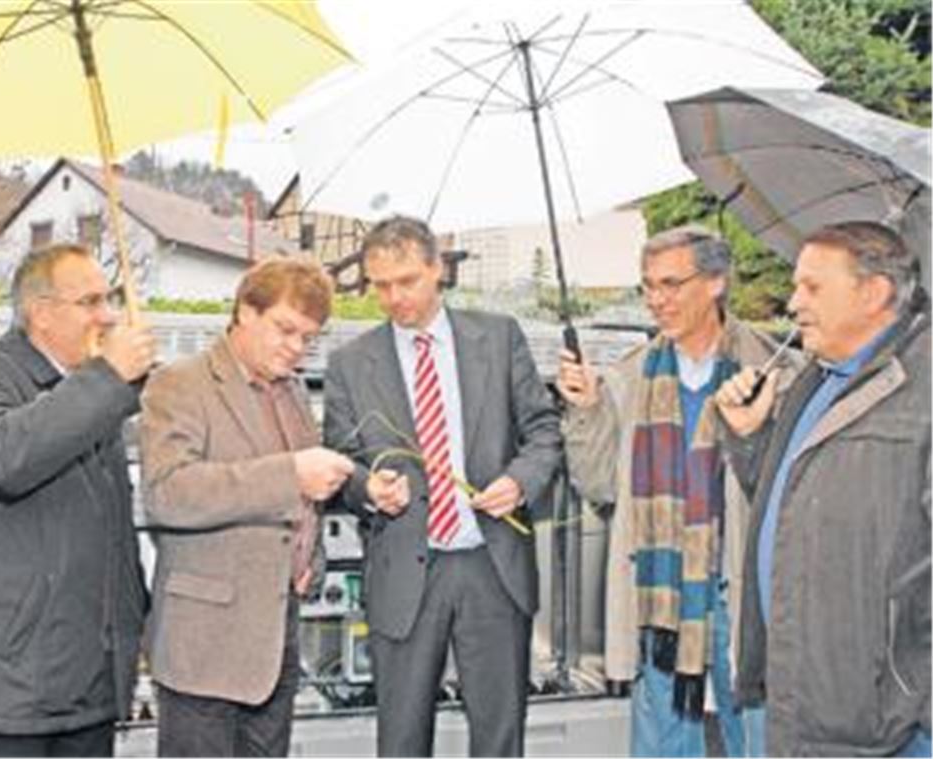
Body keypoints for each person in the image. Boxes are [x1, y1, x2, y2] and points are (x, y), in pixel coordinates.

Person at [322, 215, 561, 757]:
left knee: (499, 739)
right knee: (402, 740)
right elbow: (340, 463)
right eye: (380, 285)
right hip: (404, 571)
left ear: (437, 270)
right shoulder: (351, 364)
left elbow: (544, 432)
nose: (393, 298)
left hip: (492, 565)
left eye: (406, 281)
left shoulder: (499, 339)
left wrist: (519, 483)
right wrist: (367, 489)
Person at [556, 225, 797, 757]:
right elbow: (596, 485)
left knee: (757, 742)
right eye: (647, 286)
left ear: (716, 282)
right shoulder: (630, 375)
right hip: (658, 597)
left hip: (740, 591)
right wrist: (588, 410)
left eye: (670, 283)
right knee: (661, 742)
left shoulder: (777, 369)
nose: (656, 300)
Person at [0, 243, 156, 756]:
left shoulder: (92, 396)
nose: (108, 316)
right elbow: (2, 459)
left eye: (110, 300)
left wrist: (132, 624)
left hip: (86, 689)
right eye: (91, 302)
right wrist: (107, 379)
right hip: (4, 694)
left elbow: (112, 534)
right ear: (41, 312)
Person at [715, 221, 931, 757]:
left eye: (812, 287)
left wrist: (913, 699)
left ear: (874, 293)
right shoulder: (813, 377)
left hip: (885, 723)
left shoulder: (923, 387)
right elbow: (795, 502)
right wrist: (750, 439)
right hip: (797, 698)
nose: (793, 303)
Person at [140, 258, 354, 757]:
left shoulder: (295, 391)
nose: (297, 348)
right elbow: (168, 494)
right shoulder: (180, 384)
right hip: (205, 650)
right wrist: (290, 474)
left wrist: (309, 561)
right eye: (286, 329)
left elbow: (302, 508)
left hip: (274, 642)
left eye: (308, 338)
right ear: (244, 311)